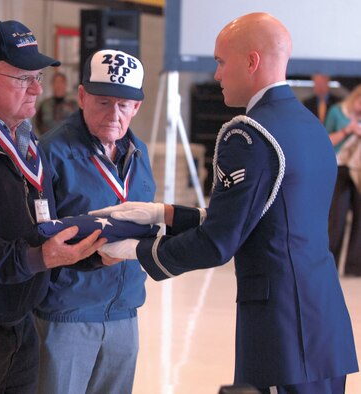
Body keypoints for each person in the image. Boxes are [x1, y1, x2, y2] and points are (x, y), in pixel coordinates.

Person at [92, 12, 359, 393]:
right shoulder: (310, 125)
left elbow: (219, 242)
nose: (216, 75)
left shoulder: (248, 134)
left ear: (251, 61)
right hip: (324, 323)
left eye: (220, 61)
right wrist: (163, 215)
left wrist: (134, 249)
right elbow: (266, 219)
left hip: (280, 328)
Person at [0, 20, 105, 394]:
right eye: (23, 78)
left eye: (38, 76)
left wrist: (86, 251)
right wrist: (37, 258)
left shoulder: (26, 139)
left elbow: (39, 225)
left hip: (21, 323)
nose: (37, 88)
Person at [34, 48, 205, 394]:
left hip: (124, 312)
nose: (114, 114)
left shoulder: (138, 154)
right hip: (68, 312)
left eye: (124, 105)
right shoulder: (50, 154)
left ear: (137, 106)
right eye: (103, 102)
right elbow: (38, 236)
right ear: (82, 96)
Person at [324, 84, 361, 276]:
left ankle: (355, 267)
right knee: (336, 217)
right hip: (339, 167)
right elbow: (325, 140)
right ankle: (329, 263)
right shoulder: (337, 112)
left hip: (359, 170)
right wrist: (348, 131)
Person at [34, 71, 78, 135]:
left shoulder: (73, 105)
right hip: (47, 141)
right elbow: (37, 124)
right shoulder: (44, 105)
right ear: (52, 84)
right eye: (56, 82)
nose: (58, 85)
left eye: (61, 82)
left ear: (65, 84)